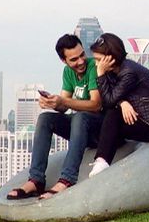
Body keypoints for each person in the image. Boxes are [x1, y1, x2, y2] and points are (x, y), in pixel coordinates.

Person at [7, 34, 104, 200]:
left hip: (99, 129)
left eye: (82, 55)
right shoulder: (68, 72)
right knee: (45, 119)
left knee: (80, 117)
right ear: (64, 60)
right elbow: (64, 107)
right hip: (80, 128)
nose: (80, 61)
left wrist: (63, 101)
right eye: (74, 59)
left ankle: (67, 179)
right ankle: (36, 180)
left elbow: (96, 104)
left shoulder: (93, 67)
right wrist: (52, 103)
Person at [88, 33, 149, 175]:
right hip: (142, 117)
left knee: (112, 114)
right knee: (105, 115)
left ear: (110, 57)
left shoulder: (128, 71)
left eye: (99, 60)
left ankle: (102, 162)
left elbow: (109, 101)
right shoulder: (113, 71)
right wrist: (122, 103)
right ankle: (102, 155)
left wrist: (100, 74)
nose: (97, 64)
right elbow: (107, 100)